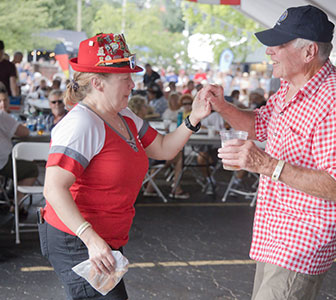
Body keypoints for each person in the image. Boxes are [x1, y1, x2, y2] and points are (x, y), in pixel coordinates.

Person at [39, 33, 211, 300]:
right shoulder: (81, 123)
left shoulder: (124, 116)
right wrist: (91, 239)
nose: (133, 84)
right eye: (125, 79)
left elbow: (164, 149)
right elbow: (53, 189)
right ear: (97, 83)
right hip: (77, 240)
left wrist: (194, 117)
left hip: (103, 239)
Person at [207, 5, 336, 300]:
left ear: (309, 52)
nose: (269, 51)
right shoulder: (290, 87)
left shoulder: (335, 99)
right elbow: (260, 126)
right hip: (276, 232)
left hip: (303, 238)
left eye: (279, 44)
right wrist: (223, 106)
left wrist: (266, 164)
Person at [0, 90, 38, 214]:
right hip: (2, 162)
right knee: (31, 169)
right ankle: (17, 205)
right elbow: (24, 132)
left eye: (5, 100)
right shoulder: (2, 115)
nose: (3, 103)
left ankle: (11, 195)